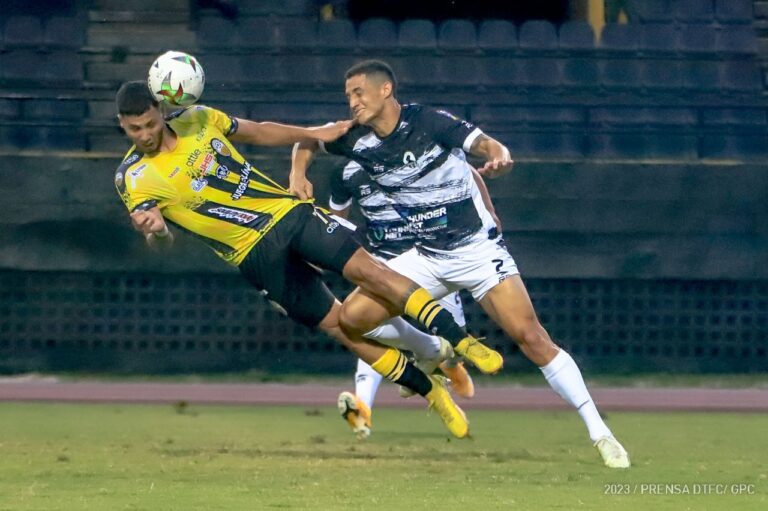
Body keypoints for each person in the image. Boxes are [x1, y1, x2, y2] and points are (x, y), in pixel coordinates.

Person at [289, 60, 631, 468]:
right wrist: (297, 173)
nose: (352, 102)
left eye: (358, 93)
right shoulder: (355, 138)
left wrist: (500, 154)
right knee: (352, 319)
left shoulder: (428, 122)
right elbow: (305, 139)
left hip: (476, 252)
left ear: (386, 90)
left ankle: (601, 434)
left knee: (533, 338)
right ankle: (431, 352)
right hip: (426, 257)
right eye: (347, 95)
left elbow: (485, 144)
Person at [112, 80, 500, 438]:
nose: (144, 135)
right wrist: (158, 231)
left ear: (160, 112)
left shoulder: (197, 118)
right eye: (134, 130)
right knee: (341, 328)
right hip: (253, 256)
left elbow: (260, 131)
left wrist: (313, 135)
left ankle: (461, 340)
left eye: (148, 124)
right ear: (122, 126)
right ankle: (431, 393)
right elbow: (160, 244)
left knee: (372, 273)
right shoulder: (133, 177)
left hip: (288, 215)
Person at [330, 159, 485, 439]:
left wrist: (486, 211)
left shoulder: (408, 150)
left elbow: (465, 173)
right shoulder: (345, 170)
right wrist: (297, 170)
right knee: (368, 332)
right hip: (382, 263)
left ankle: (449, 364)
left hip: (427, 259)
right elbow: (335, 221)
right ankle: (363, 406)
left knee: (455, 337)